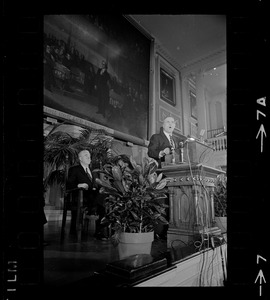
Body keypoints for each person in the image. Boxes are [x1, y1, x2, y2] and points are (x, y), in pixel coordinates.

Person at [66, 149, 107, 240]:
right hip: (81, 196)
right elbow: (68, 184)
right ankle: (93, 212)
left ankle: (99, 230)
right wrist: (78, 185)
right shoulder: (75, 169)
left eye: (89, 155)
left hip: (94, 196)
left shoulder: (93, 171)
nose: (89, 157)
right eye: (85, 155)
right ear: (80, 158)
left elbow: (96, 184)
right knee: (101, 202)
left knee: (104, 197)